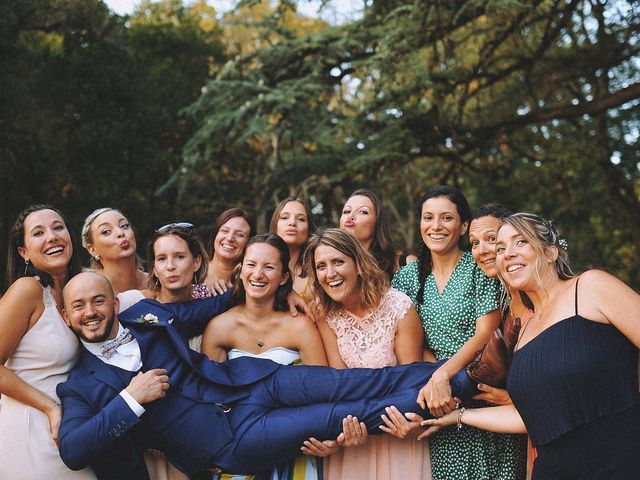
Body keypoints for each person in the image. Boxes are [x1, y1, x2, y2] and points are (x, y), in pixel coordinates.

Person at [57, 271, 479, 478]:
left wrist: (289, 291)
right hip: (232, 439)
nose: (90, 312)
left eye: (98, 301)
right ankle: (467, 389)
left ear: (114, 302)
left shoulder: (148, 316)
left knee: (363, 380)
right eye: (79, 306)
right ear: (66, 315)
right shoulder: (79, 385)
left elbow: (221, 302)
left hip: (255, 380)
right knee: (348, 413)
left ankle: (468, 374)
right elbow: (74, 451)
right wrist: (131, 398)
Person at [421, 212, 640, 479]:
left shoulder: (591, 287)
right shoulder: (523, 331)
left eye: (520, 242)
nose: (507, 253)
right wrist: (459, 416)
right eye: (501, 248)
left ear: (550, 253)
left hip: (620, 462)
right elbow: (531, 416)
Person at [392, 186, 525, 480]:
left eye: (446, 218)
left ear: (463, 226)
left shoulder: (480, 266)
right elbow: (409, 339)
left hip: (480, 386)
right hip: (437, 400)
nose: (435, 226)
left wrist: (445, 375)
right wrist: (435, 383)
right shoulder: (406, 278)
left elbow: (485, 334)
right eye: (428, 217)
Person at [305, 228, 432, 479]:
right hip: (352, 438)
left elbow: (411, 381)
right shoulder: (324, 315)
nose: (330, 274)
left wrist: (409, 423)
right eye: (321, 266)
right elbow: (339, 384)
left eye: (338, 262)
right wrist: (342, 433)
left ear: (359, 265)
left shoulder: (398, 307)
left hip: (398, 434)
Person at [203, 233, 328, 479]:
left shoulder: (300, 327)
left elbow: (322, 392)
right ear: (240, 270)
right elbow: (209, 400)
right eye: (251, 265)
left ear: (283, 278)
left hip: (294, 448)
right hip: (237, 453)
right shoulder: (219, 327)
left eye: (269, 267)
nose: (257, 274)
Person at [0, 205, 96, 479]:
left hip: (73, 429)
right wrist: (49, 407)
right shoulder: (27, 290)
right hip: (31, 427)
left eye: (58, 227)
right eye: (39, 233)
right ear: (24, 252)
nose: (52, 236)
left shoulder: (78, 291)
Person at [81, 207, 148, 295]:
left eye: (124, 226)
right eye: (106, 231)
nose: (120, 233)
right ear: (92, 250)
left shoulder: (158, 283)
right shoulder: (86, 287)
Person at [339, 189, 397, 279]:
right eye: (346, 211)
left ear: (378, 223)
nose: (350, 216)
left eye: (363, 212)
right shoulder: (327, 265)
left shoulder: (401, 264)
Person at [269, 196, 315, 297]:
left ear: (309, 229)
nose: (292, 223)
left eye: (301, 219)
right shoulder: (253, 267)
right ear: (275, 225)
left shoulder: (318, 274)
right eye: (285, 217)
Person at [204, 208, 251, 294]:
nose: (230, 238)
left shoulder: (251, 281)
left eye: (240, 235)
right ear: (215, 234)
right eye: (225, 231)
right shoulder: (193, 272)